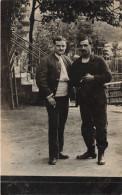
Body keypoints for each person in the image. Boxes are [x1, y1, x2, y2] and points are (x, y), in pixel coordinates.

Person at [70, 35, 112, 165]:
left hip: (99, 100)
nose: (83, 48)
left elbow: (108, 76)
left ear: (90, 46)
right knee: (86, 127)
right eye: (81, 46)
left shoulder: (99, 60)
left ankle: (101, 153)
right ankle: (90, 151)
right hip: (84, 101)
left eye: (85, 45)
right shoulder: (76, 63)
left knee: (101, 127)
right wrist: (79, 81)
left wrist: (94, 78)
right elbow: (72, 79)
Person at [36, 36, 72, 165]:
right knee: (54, 126)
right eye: (58, 46)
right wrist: (49, 96)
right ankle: (52, 155)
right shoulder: (46, 60)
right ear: (54, 46)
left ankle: (59, 151)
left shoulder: (67, 60)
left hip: (64, 97)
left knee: (61, 125)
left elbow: (73, 77)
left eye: (63, 46)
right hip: (53, 98)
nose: (61, 48)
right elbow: (40, 80)